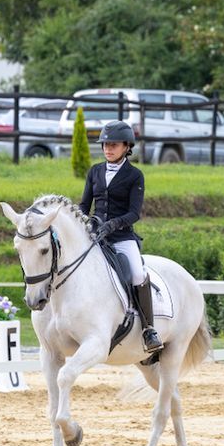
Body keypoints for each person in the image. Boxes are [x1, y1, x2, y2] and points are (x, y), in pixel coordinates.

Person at [79, 120, 163, 354]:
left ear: (127, 146)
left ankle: (148, 329)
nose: (108, 148)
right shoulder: (95, 171)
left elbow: (134, 213)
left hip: (122, 237)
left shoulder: (134, 175)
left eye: (113, 145)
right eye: (105, 144)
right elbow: (85, 205)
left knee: (137, 273)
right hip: (95, 235)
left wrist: (113, 224)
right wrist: (79, 223)